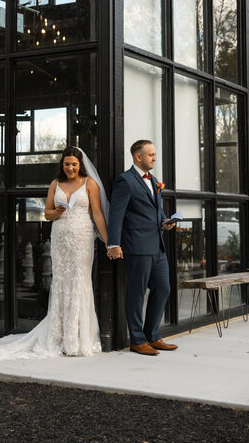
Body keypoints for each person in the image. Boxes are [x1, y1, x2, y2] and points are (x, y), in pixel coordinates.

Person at [0, 146, 109, 360]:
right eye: (67, 164)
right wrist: (58, 211)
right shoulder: (56, 184)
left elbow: (98, 214)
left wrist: (109, 241)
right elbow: (47, 213)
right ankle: (59, 336)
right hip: (60, 236)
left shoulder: (89, 184)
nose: (70, 168)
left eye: (74, 164)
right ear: (62, 165)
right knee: (62, 281)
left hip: (82, 236)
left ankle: (78, 339)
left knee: (79, 281)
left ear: (80, 165)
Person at [107, 140, 178, 356]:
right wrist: (113, 243)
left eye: (155, 154)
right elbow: (116, 214)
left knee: (164, 287)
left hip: (157, 245)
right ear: (138, 157)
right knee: (136, 293)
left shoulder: (154, 180)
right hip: (136, 246)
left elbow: (155, 211)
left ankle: (152, 335)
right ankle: (137, 340)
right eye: (151, 155)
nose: (155, 158)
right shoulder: (125, 181)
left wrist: (165, 221)